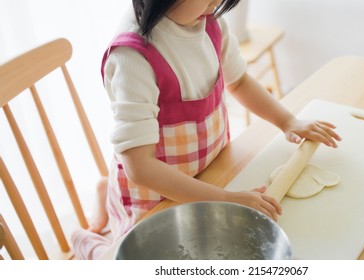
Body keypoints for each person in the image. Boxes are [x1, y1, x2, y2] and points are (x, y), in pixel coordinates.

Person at [72, 0, 341, 259]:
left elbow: (240, 81)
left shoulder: (208, 21)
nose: (217, 2)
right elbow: (140, 167)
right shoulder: (132, 58)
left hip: (206, 173)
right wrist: (224, 199)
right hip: (156, 195)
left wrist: (288, 121)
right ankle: (87, 242)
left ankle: (103, 189)